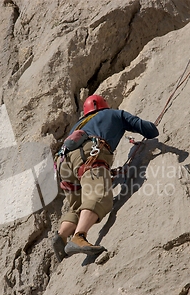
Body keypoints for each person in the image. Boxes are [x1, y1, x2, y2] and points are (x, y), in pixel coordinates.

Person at [52, 95, 159, 262]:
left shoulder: (78, 124)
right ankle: (79, 236)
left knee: (78, 205)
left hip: (62, 163)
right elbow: (150, 131)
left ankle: (62, 236)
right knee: (100, 196)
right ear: (105, 106)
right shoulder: (114, 114)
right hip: (89, 154)